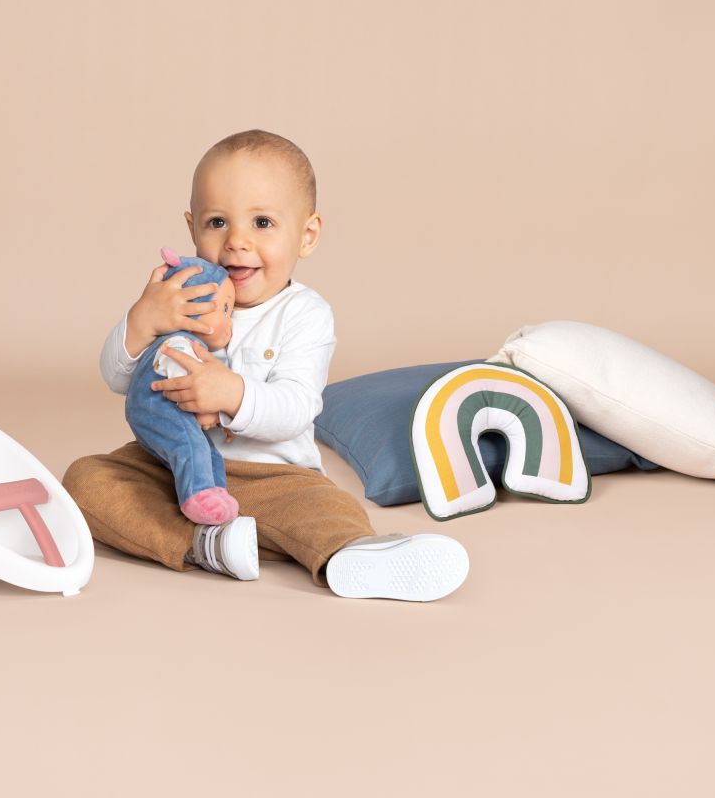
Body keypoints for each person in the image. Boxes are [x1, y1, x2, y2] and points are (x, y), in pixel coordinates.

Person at [63, 129, 470, 599]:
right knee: (87, 480)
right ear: (192, 229)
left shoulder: (305, 314)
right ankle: (206, 544)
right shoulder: (181, 299)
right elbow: (120, 380)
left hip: (275, 476)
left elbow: (297, 407)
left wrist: (231, 394)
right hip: (172, 468)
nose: (236, 241)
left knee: (324, 508)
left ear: (306, 235)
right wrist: (141, 321)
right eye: (217, 222)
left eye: (262, 223)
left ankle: (353, 554)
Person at [124, 248, 240, 525]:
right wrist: (207, 410)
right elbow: (185, 378)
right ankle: (198, 499)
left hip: (169, 414)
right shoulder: (179, 344)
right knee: (190, 446)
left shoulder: (194, 344)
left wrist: (226, 410)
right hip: (157, 411)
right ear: (190, 309)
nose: (230, 324)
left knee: (205, 452)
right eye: (224, 310)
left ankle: (214, 499)